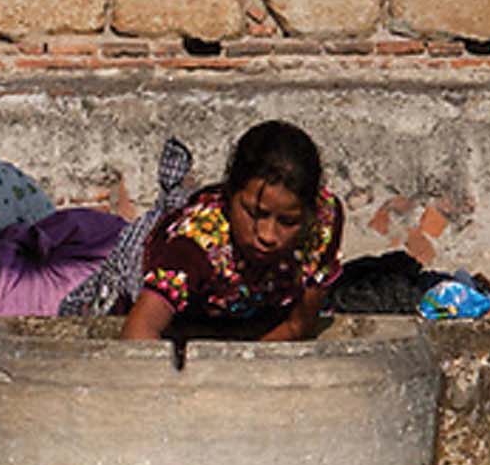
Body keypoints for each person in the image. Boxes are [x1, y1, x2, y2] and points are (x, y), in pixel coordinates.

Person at [121, 120, 343, 342]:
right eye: (255, 214)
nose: (267, 236)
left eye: (287, 222)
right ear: (229, 193)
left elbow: (298, 326)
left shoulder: (320, 224)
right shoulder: (195, 245)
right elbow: (140, 331)